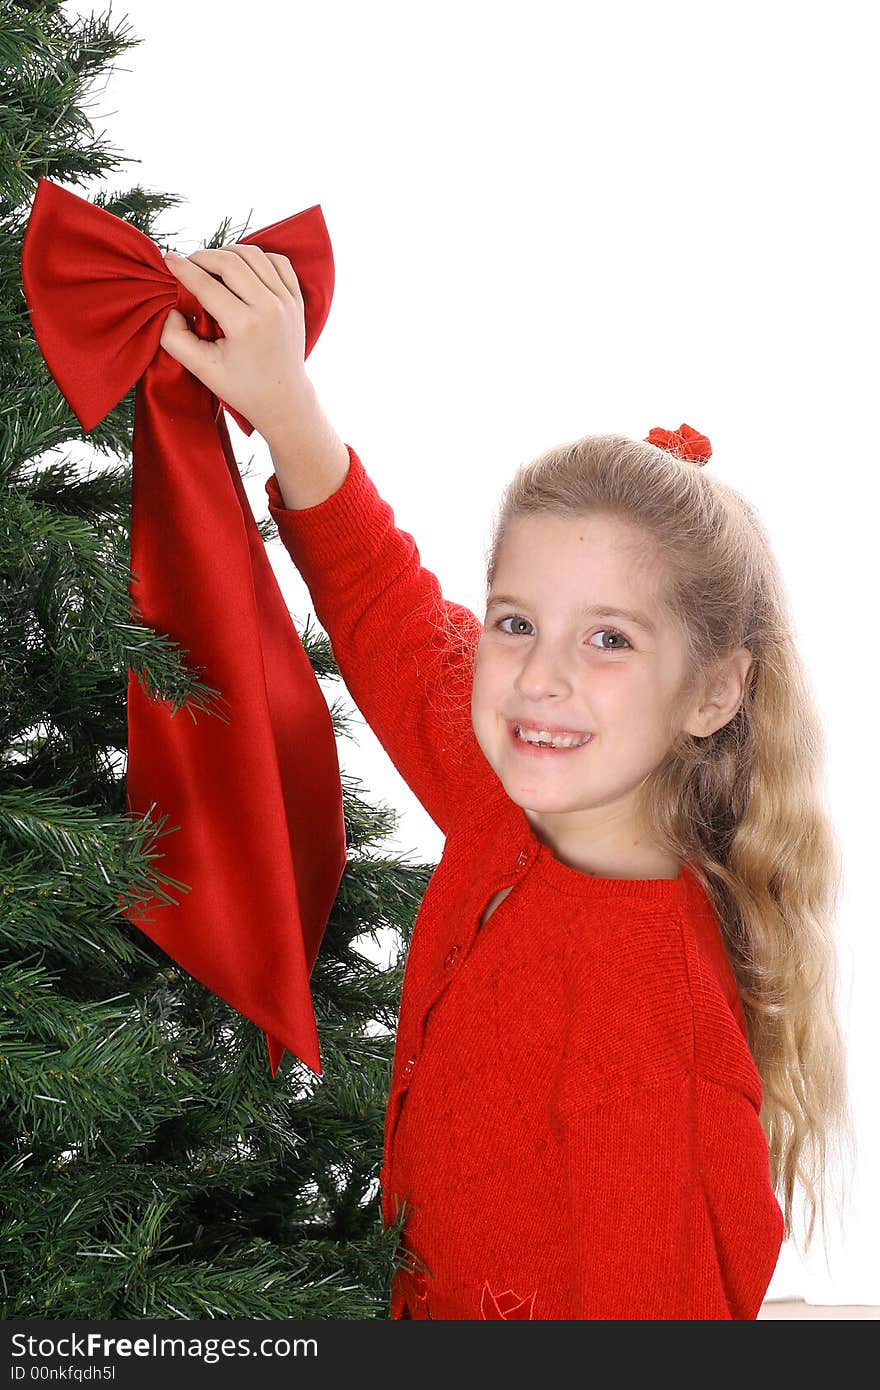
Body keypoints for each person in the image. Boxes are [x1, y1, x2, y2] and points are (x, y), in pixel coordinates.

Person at [159, 242, 853, 1320]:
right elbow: (391, 612)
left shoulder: (648, 1028)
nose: (539, 676)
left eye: (609, 640)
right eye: (516, 622)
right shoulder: (511, 791)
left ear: (716, 691)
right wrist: (286, 407)